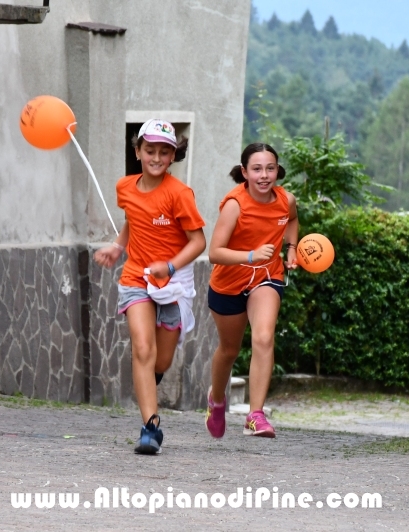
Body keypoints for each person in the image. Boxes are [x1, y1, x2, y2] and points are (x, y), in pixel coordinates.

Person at [94, 119, 206, 454]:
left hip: (173, 283)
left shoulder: (179, 194)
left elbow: (198, 242)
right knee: (143, 349)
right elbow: (132, 220)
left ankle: (149, 384)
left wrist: (169, 266)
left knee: (161, 360)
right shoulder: (125, 187)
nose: (156, 157)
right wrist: (117, 246)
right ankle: (150, 427)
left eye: (163, 152)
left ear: (172, 156)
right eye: (149, 150)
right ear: (138, 151)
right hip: (135, 278)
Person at [204, 142, 298, 439]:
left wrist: (292, 248)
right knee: (229, 350)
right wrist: (249, 255)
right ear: (244, 172)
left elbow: (292, 220)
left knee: (263, 336)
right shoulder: (235, 204)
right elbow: (214, 252)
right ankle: (216, 400)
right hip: (229, 282)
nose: (264, 175)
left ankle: (254, 415)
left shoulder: (287, 200)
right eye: (257, 169)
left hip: (267, 276)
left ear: (277, 170)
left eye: (270, 168)